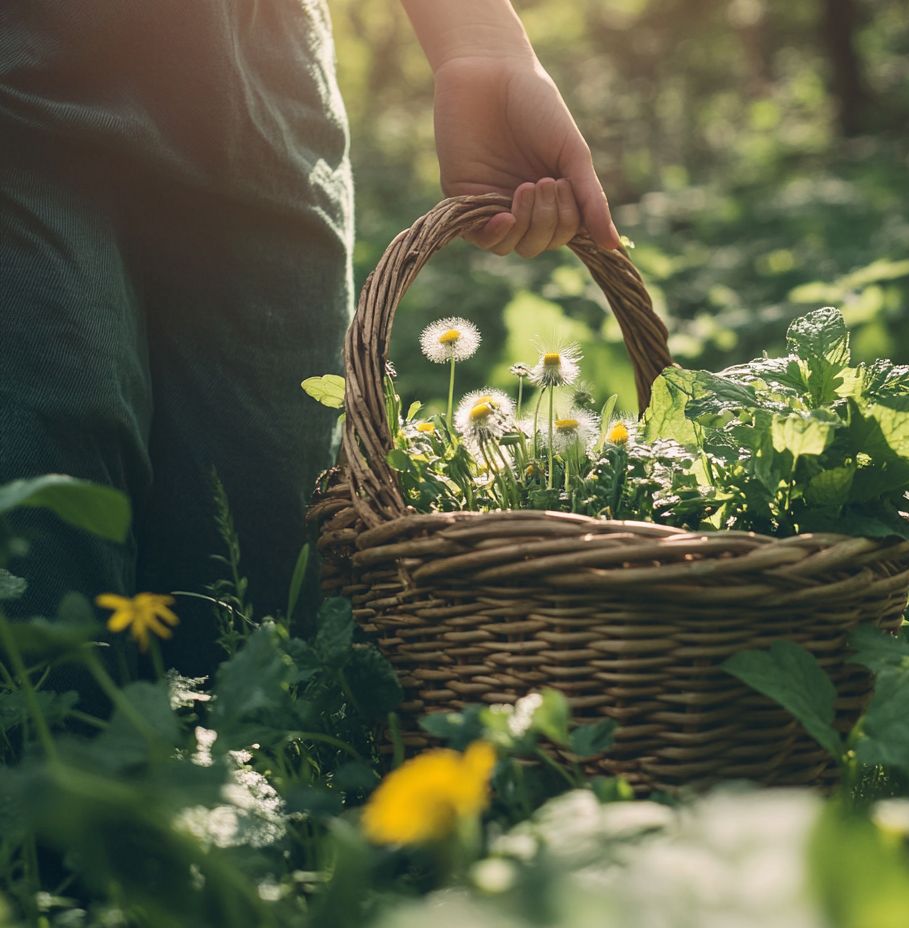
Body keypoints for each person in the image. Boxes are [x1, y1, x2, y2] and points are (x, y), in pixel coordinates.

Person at [0, 0, 618, 673]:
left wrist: (478, 43)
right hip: (22, 82)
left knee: (262, 600)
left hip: (257, 91)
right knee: (43, 550)